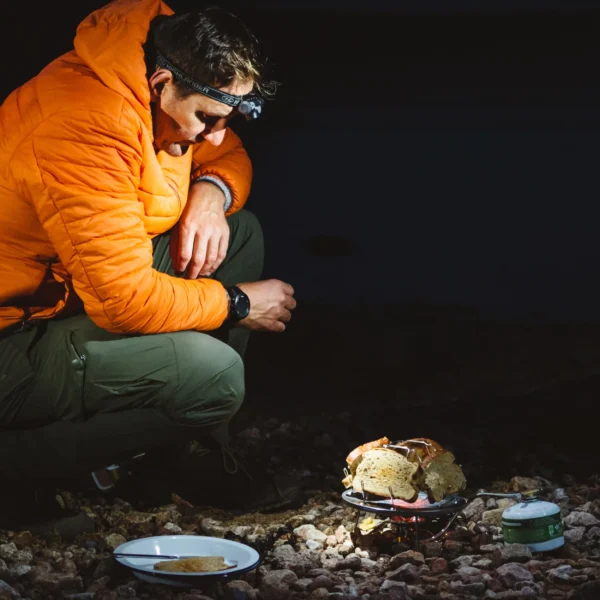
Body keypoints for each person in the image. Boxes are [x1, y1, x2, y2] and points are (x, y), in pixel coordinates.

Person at [0, 0, 297, 534]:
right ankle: (14, 471)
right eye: (206, 118)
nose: (214, 136)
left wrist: (212, 189)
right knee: (217, 377)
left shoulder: (150, 76)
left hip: (62, 296)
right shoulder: (82, 125)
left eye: (225, 119)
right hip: (10, 339)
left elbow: (226, 154)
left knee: (239, 231)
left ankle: (179, 454)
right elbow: (123, 301)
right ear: (162, 83)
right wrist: (238, 304)